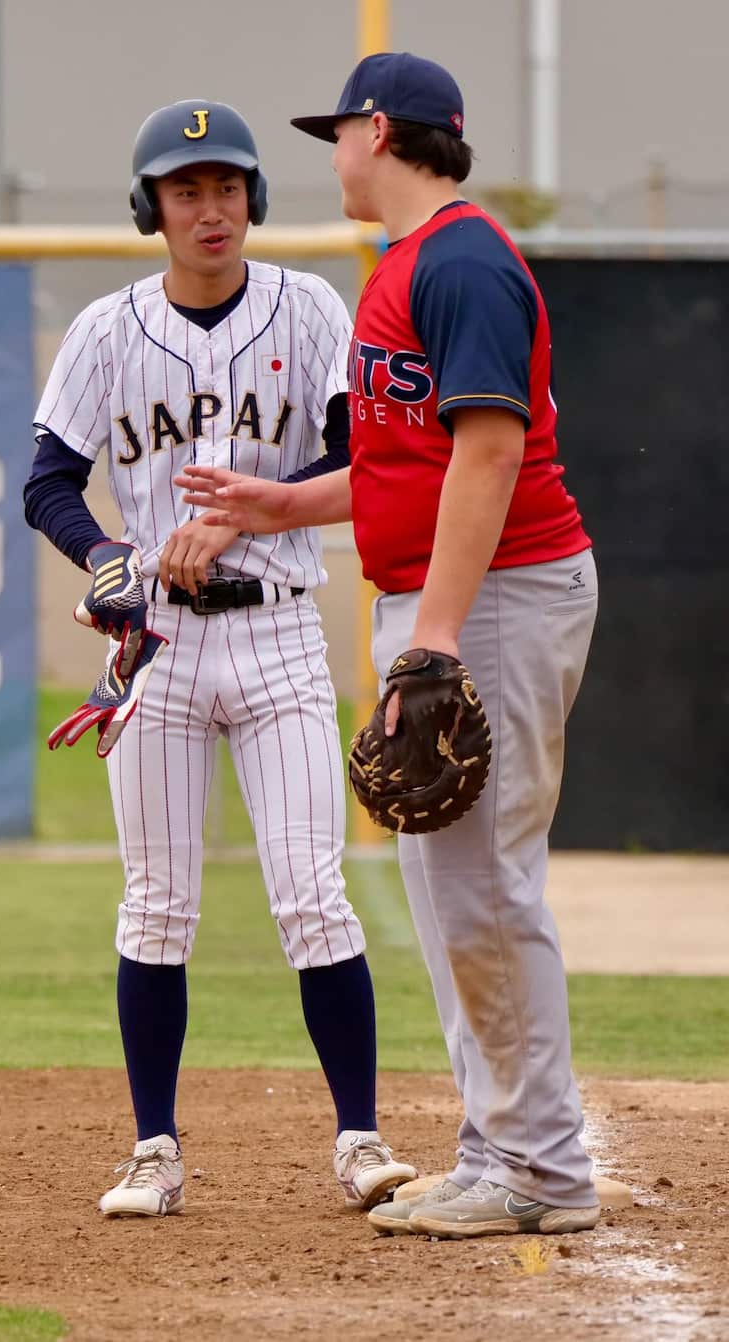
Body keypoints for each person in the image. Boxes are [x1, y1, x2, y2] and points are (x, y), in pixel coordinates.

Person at [177, 53, 601, 1239]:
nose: (331, 155)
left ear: (378, 130)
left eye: (337, 133)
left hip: (497, 596)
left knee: (482, 888)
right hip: (457, 597)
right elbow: (406, 463)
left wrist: (435, 639)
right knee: (448, 884)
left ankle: (541, 1171)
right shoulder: (412, 262)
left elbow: (488, 452)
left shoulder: (459, 257)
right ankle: (498, 1144)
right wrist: (276, 507)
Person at [24, 98, 415, 1219]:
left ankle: (358, 1138)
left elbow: (361, 459)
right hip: (161, 642)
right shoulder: (106, 331)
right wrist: (101, 556)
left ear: (254, 198)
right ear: (148, 207)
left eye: (227, 186)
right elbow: (45, 481)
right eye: (185, 189)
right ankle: (153, 1148)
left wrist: (248, 515)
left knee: (312, 894)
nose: (210, 208)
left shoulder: (308, 304)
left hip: (282, 630)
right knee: (155, 904)